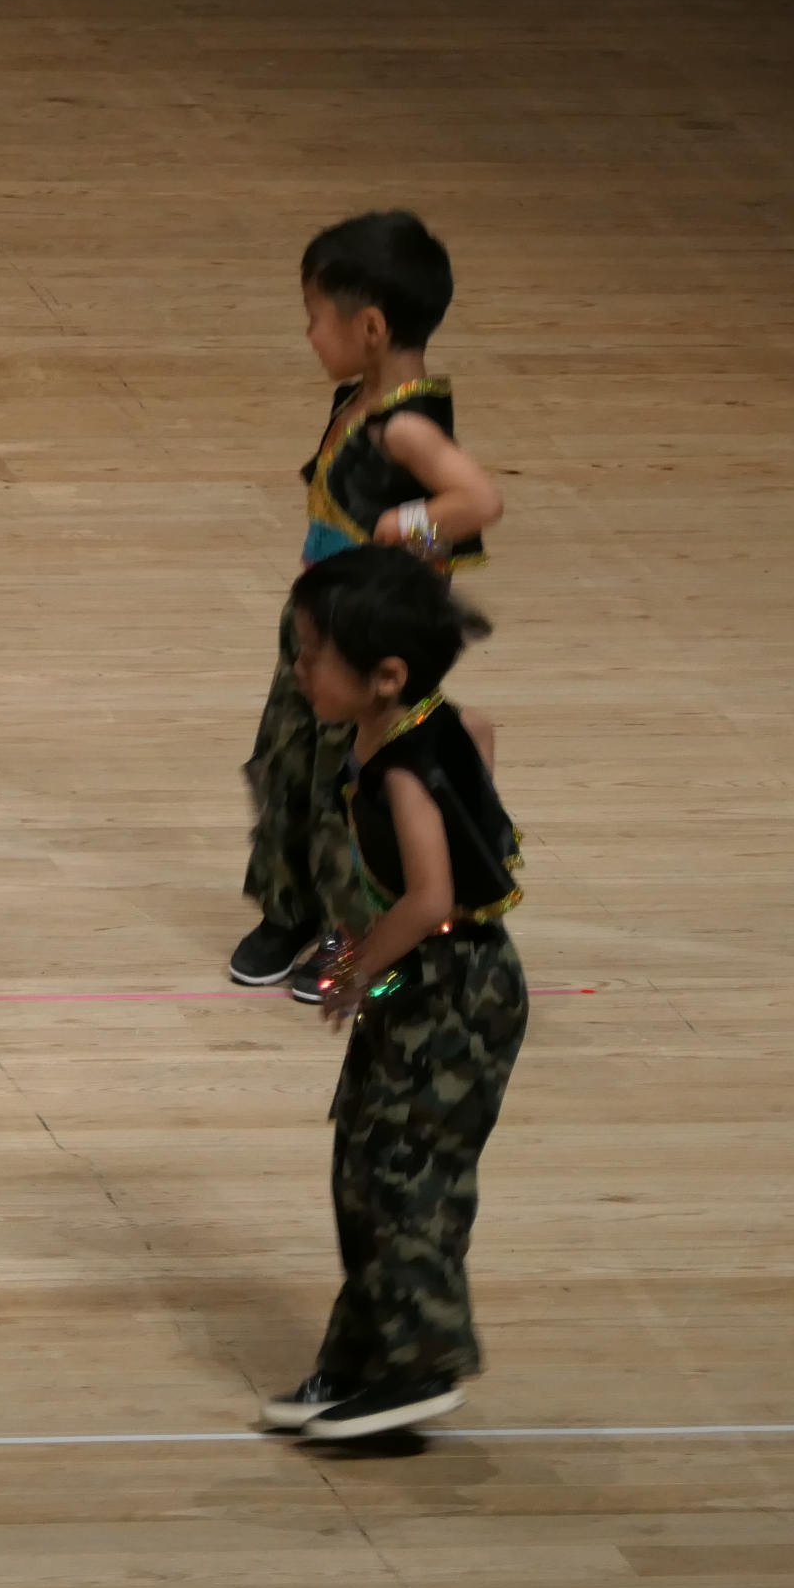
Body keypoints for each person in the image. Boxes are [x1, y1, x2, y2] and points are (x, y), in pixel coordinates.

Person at [254, 547, 525, 1441]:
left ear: (387, 676)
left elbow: (431, 900)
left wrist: (358, 967)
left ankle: (421, 1366)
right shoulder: (429, 723)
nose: (299, 670)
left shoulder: (403, 769)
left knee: (405, 1176)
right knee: (363, 1165)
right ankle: (364, 1358)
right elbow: (477, 728)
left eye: (313, 656)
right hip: (427, 976)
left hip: (457, 987)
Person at [230, 210, 504, 996]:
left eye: (316, 317)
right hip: (316, 623)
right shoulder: (357, 400)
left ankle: (354, 933)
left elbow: (479, 500)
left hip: (360, 640)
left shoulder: (406, 426)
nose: (310, 334)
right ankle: (289, 907)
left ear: (372, 327)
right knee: (285, 761)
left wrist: (402, 526)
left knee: (346, 786)